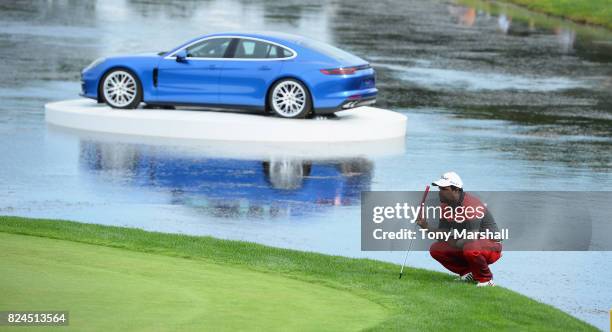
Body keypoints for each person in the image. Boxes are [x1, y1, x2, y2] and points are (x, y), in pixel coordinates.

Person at [416, 171, 502, 287]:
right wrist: (426, 227)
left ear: (456, 190)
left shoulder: (472, 205)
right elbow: (443, 235)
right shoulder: (445, 206)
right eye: (439, 189)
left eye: (444, 189)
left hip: (491, 246)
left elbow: (472, 237)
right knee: (436, 249)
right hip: (468, 243)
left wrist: (453, 241)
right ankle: (468, 273)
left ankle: (486, 280)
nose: (440, 193)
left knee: (470, 247)